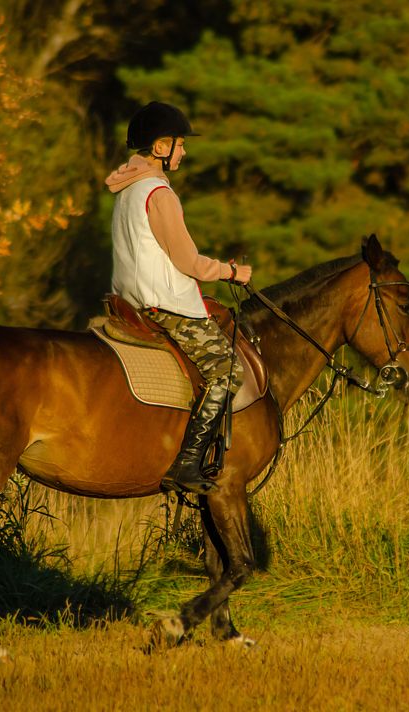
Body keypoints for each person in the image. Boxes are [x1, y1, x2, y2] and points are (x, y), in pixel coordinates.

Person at [105, 101, 252, 495]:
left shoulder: (128, 189)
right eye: (180, 144)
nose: (184, 152)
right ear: (160, 148)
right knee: (227, 371)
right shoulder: (159, 193)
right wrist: (230, 272)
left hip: (128, 299)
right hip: (163, 304)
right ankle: (187, 464)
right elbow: (188, 261)